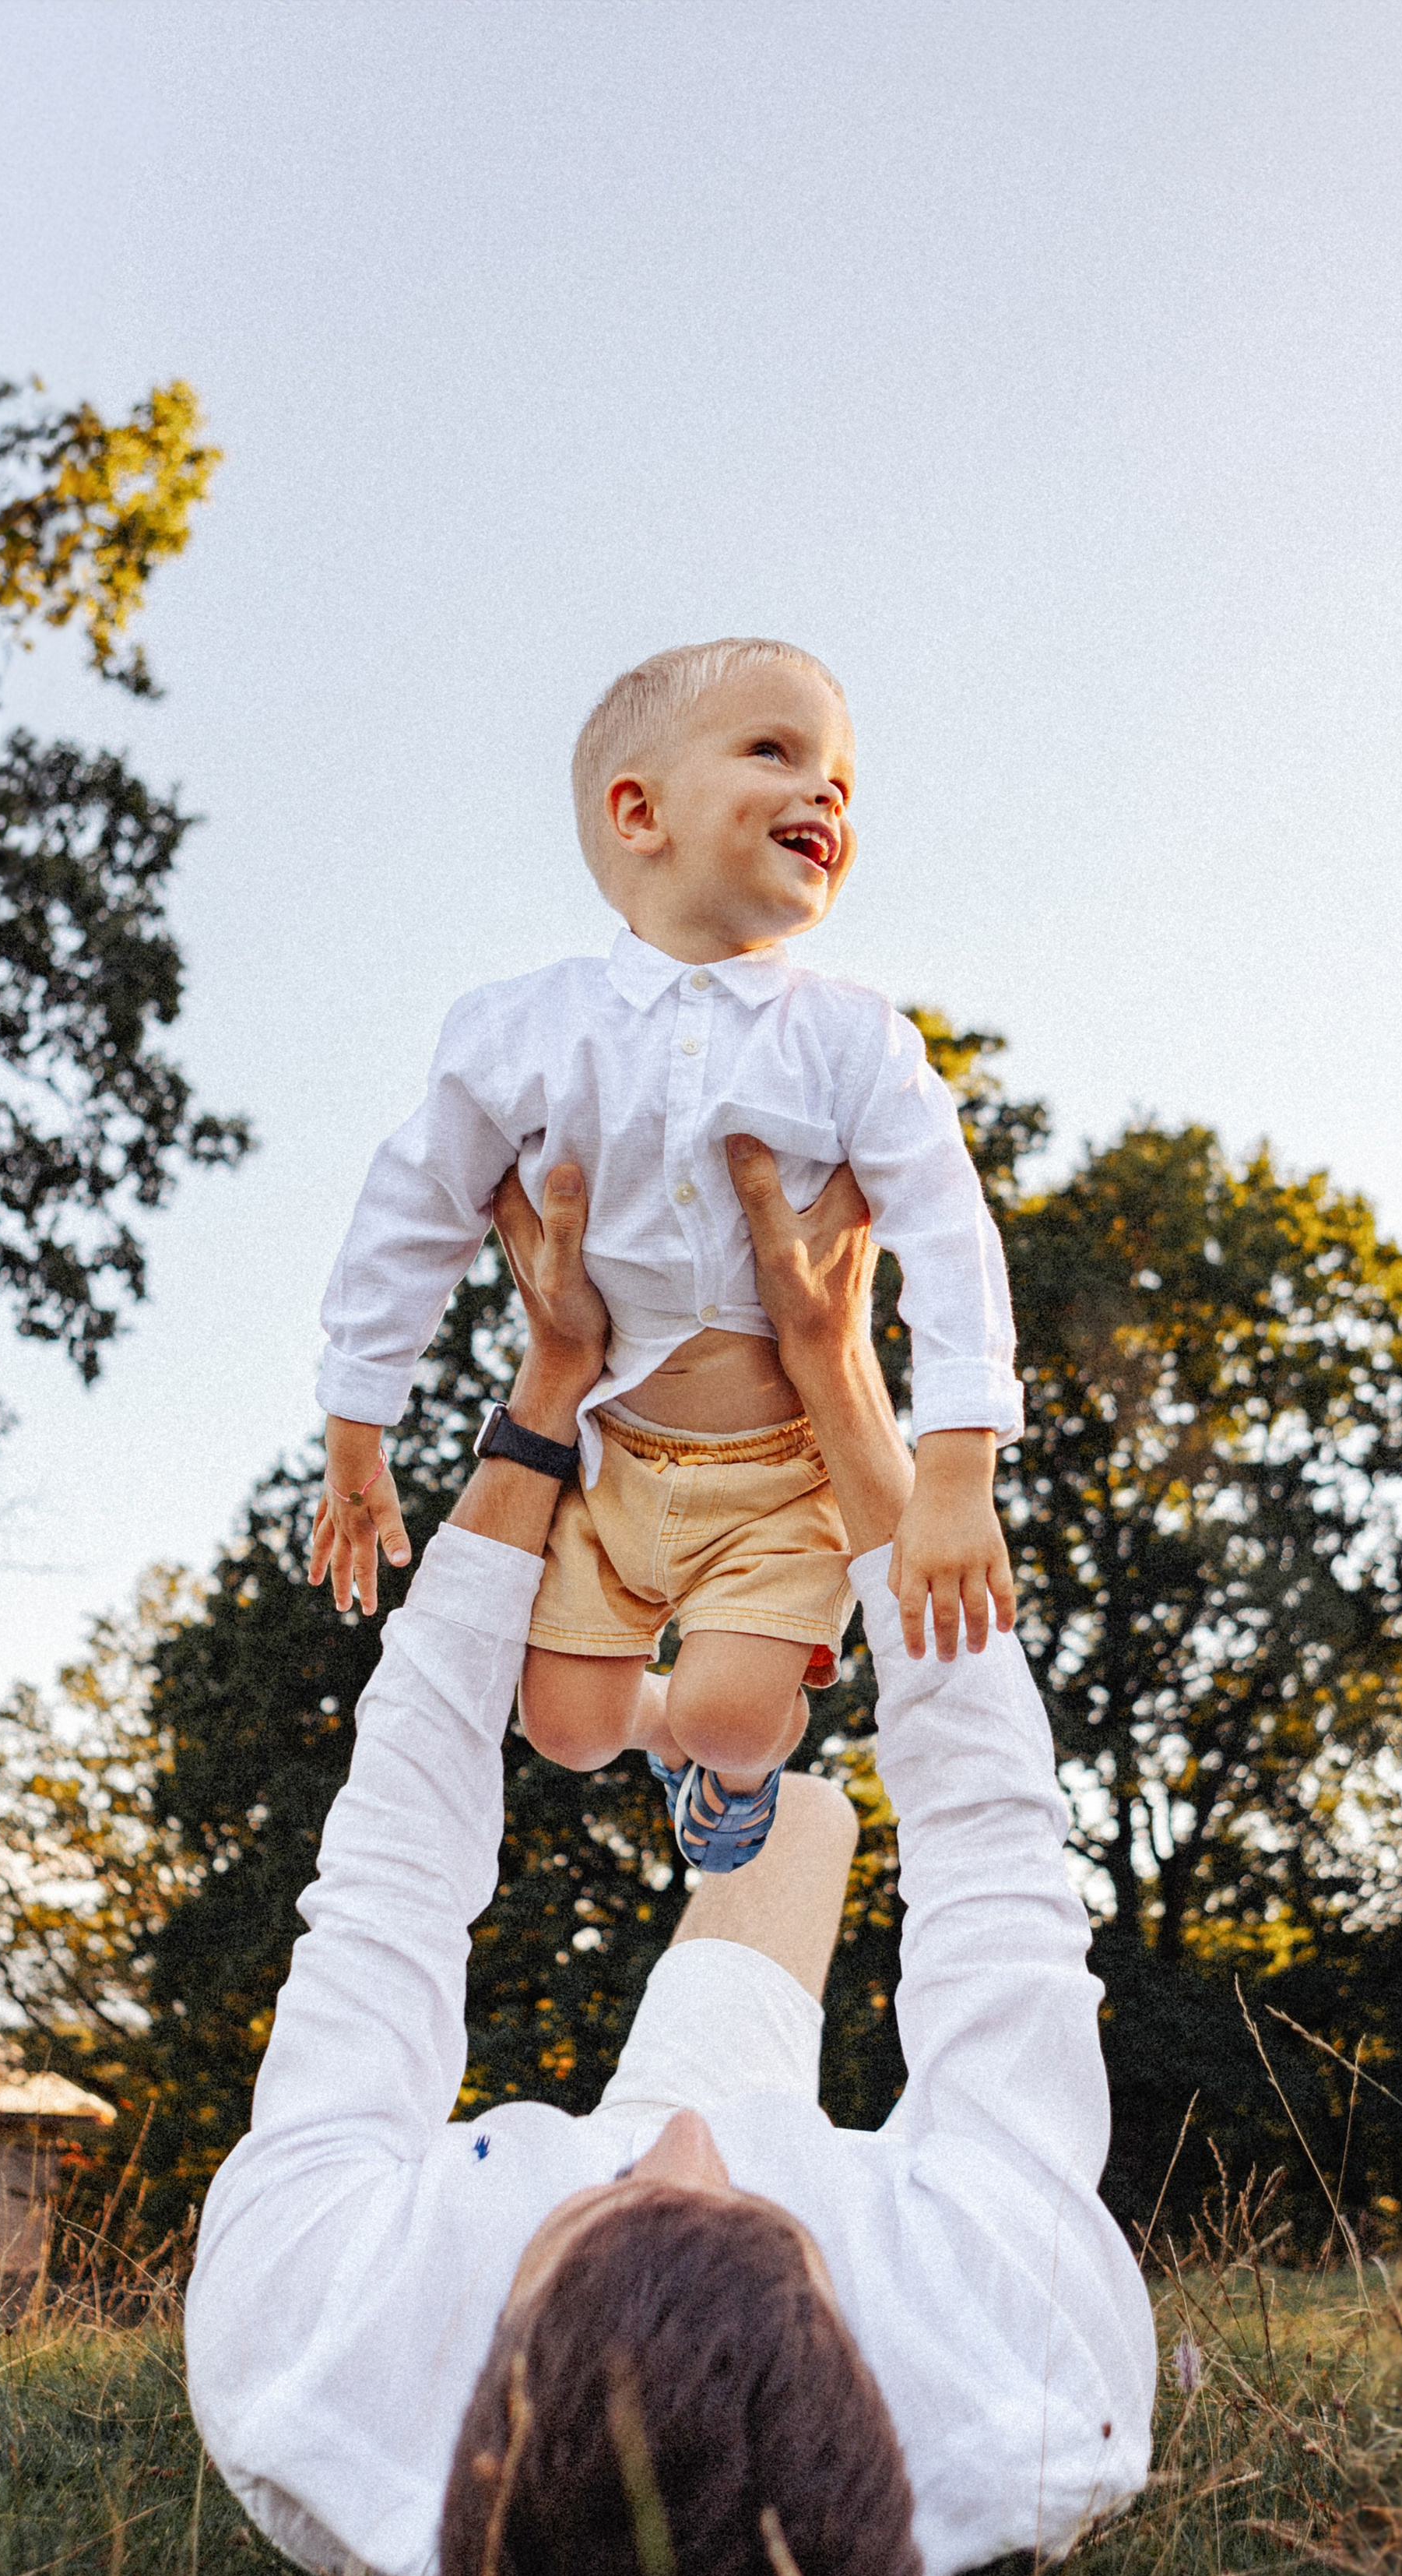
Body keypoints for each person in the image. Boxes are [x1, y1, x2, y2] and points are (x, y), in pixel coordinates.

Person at [184, 1146, 1156, 2576]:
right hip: (893, 2272)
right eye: (745, 2204)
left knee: (753, 1858)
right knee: (823, 1822)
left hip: (463, 2305)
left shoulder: (306, 2332)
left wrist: (546, 1387)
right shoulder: (1029, 2343)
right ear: (860, 2357)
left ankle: (686, 1738)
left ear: (485, 2363)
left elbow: (385, 1883)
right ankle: (726, 1764)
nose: (680, 2133)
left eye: (612, 2189)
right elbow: (994, 1860)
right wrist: (845, 1386)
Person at [306, 638, 1024, 1874]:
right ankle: (663, 1736)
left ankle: (733, 1762)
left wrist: (957, 1463)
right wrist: (356, 1427)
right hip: (616, 1461)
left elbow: (949, 1231)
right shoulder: (525, 1031)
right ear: (639, 812)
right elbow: (415, 1205)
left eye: (843, 781)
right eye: (775, 752)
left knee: (732, 1712)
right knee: (569, 1731)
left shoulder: (854, 1042)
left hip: (781, 1478)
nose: (827, 796)